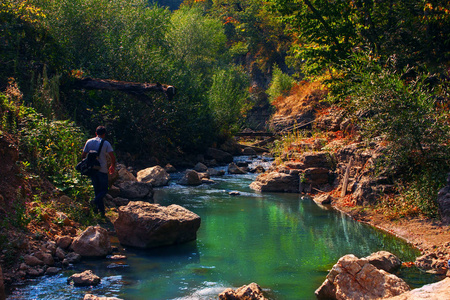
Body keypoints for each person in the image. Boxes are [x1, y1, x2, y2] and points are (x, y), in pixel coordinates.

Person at [81, 126, 116, 217]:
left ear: (96, 133)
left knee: (97, 190)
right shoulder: (106, 143)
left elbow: (83, 155)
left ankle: (101, 212)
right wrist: (112, 166)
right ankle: (95, 202)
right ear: (104, 134)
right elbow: (112, 157)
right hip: (102, 169)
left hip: (92, 169)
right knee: (104, 190)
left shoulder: (89, 141)